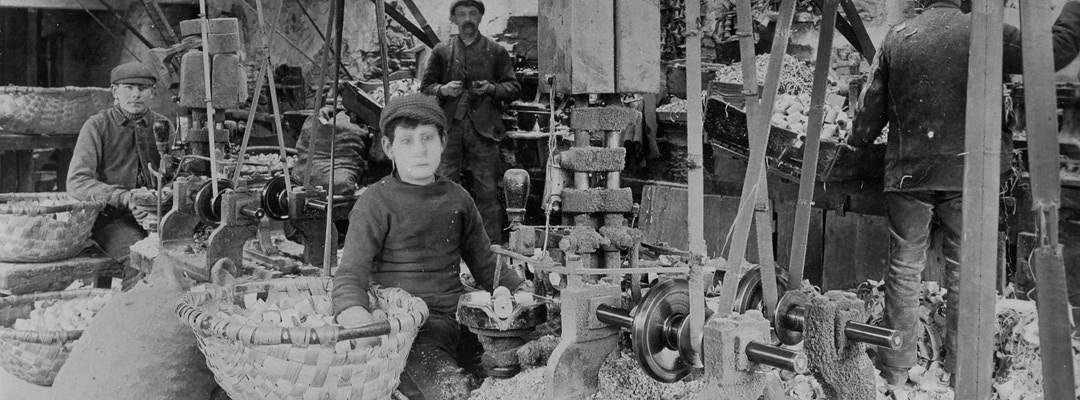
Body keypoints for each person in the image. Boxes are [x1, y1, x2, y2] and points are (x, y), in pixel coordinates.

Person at [847, 0, 1080, 388]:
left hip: (908, 174)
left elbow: (867, 116)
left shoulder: (898, 37)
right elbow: (1054, 52)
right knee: (964, 271)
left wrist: (855, 141)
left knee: (904, 269)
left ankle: (895, 368)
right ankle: (961, 372)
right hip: (967, 172)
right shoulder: (986, 31)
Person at [332, 94, 532, 400]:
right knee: (451, 391)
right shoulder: (375, 203)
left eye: (428, 138)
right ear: (388, 148)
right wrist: (357, 318)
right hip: (413, 333)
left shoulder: (458, 198)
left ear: (443, 141)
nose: (420, 150)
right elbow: (350, 276)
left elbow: (485, 264)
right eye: (407, 141)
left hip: (464, 318)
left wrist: (521, 290)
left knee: (520, 370)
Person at [421, 0, 521, 245]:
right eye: (462, 14)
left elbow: (514, 87)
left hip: (484, 132)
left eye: (473, 13)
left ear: (480, 18)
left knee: (487, 192)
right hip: (449, 131)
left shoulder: (495, 51)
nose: (467, 19)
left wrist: (492, 88)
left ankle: (490, 252)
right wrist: (443, 90)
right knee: (444, 189)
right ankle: (444, 248)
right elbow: (425, 88)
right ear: (453, 19)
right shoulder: (441, 51)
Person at [68, 61, 172, 287]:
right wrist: (124, 197)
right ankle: (130, 319)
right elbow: (77, 181)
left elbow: (176, 174)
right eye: (129, 87)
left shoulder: (164, 126)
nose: (136, 94)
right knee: (142, 264)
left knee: (185, 259)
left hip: (158, 216)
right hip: (111, 219)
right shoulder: (96, 126)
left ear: (152, 93)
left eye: (143, 88)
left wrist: (164, 195)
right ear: (115, 91)